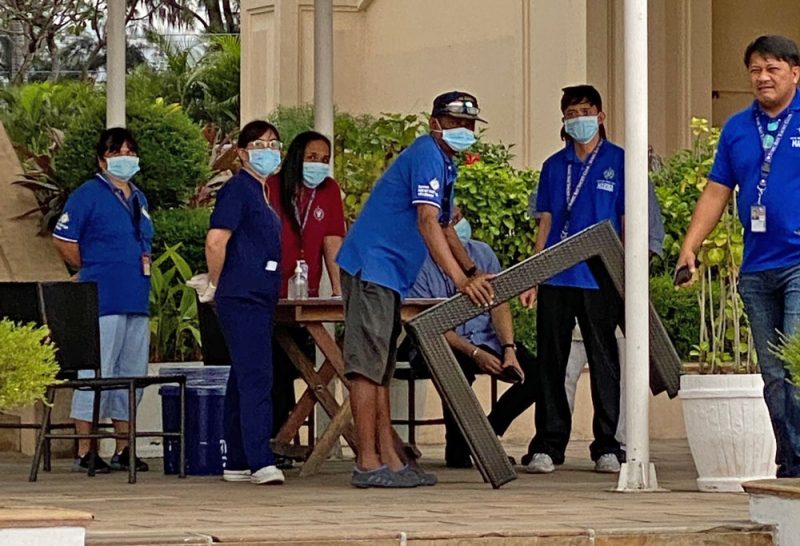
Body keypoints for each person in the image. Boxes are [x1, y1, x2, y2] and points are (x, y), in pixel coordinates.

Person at [336, 91, 495, 488]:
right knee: (367, 369)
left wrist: (473, 269)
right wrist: (461, 282)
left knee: (381, 368)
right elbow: (426, 221)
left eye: (470, 125)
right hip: (373, 266)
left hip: (389, 274)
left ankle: (390, 459)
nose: (464, 131)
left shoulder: (444, 163)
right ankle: (368, 462)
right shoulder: (426, 153)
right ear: (435, 122)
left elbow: (444, 225)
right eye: (456, 123)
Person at [676, 35, 800, 478]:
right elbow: (717, 190)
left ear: (794, 72)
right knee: (773, 373)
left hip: (798, 263)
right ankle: (790, 461)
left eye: (773, 69)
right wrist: (690, 246)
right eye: (755, 70)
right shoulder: (737, 127)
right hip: (757, 267)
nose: (763, 78)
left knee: (795, 360)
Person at [520, 85, 625, 475]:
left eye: (585, 110)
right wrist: (533, 275)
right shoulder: (554, 166)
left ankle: (607, 447)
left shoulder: (619, 161)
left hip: (601, 278)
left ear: (599, 115)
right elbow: (545, 222)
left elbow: (628, 222)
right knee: (552, 361)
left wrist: (627, 275)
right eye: (571, 113)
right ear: (564, 120)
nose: (578, 118)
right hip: (556, 276)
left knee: (604, 362)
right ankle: (548, 445)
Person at [53, 127, 153, 473]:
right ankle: (85, 448)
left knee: (130, 376)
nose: (124, 157)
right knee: (96, 373)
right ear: (101, 159)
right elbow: (63, 239)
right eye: (116, 152)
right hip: (103, 299)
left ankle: (124, 448)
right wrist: (91, 267)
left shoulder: (139, 198)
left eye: (129, 151)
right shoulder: (87, 194)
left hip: (136, 298)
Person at [408, 207, 537, 468]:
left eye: (457, 220)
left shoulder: (482, 254)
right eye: (446, 223)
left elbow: (499, 303)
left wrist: (508, 348)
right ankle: (460, 448)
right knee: (452, 367)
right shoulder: (418, 263)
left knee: (537, 374)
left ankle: (484, 436)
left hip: (486, 338)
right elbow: (430, 323)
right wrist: (475, 354)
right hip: (447, 342)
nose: (454, 228)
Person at [203, 120, 286, 485]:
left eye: (273, 144)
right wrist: (218, 284)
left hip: (261, 294)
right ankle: (259, 459)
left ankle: (237, 458)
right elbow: (216, 240)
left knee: (242, 376)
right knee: (257, 377)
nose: (267, 151)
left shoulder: (264, 193)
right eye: (258, 144)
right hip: (242, 295)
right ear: (241, 152)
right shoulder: (238, 189)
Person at [267, 131, 346, 453]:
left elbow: (332, 242)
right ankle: (273, 440)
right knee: (274, 373)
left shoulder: (329, 191)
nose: (319, 165)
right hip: (271, 292)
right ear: (297, 156)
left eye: (325, 159)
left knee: (295, 369)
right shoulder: (271, 186)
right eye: (312, 158)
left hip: (305, 292)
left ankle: (284, 439)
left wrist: (339, 290)